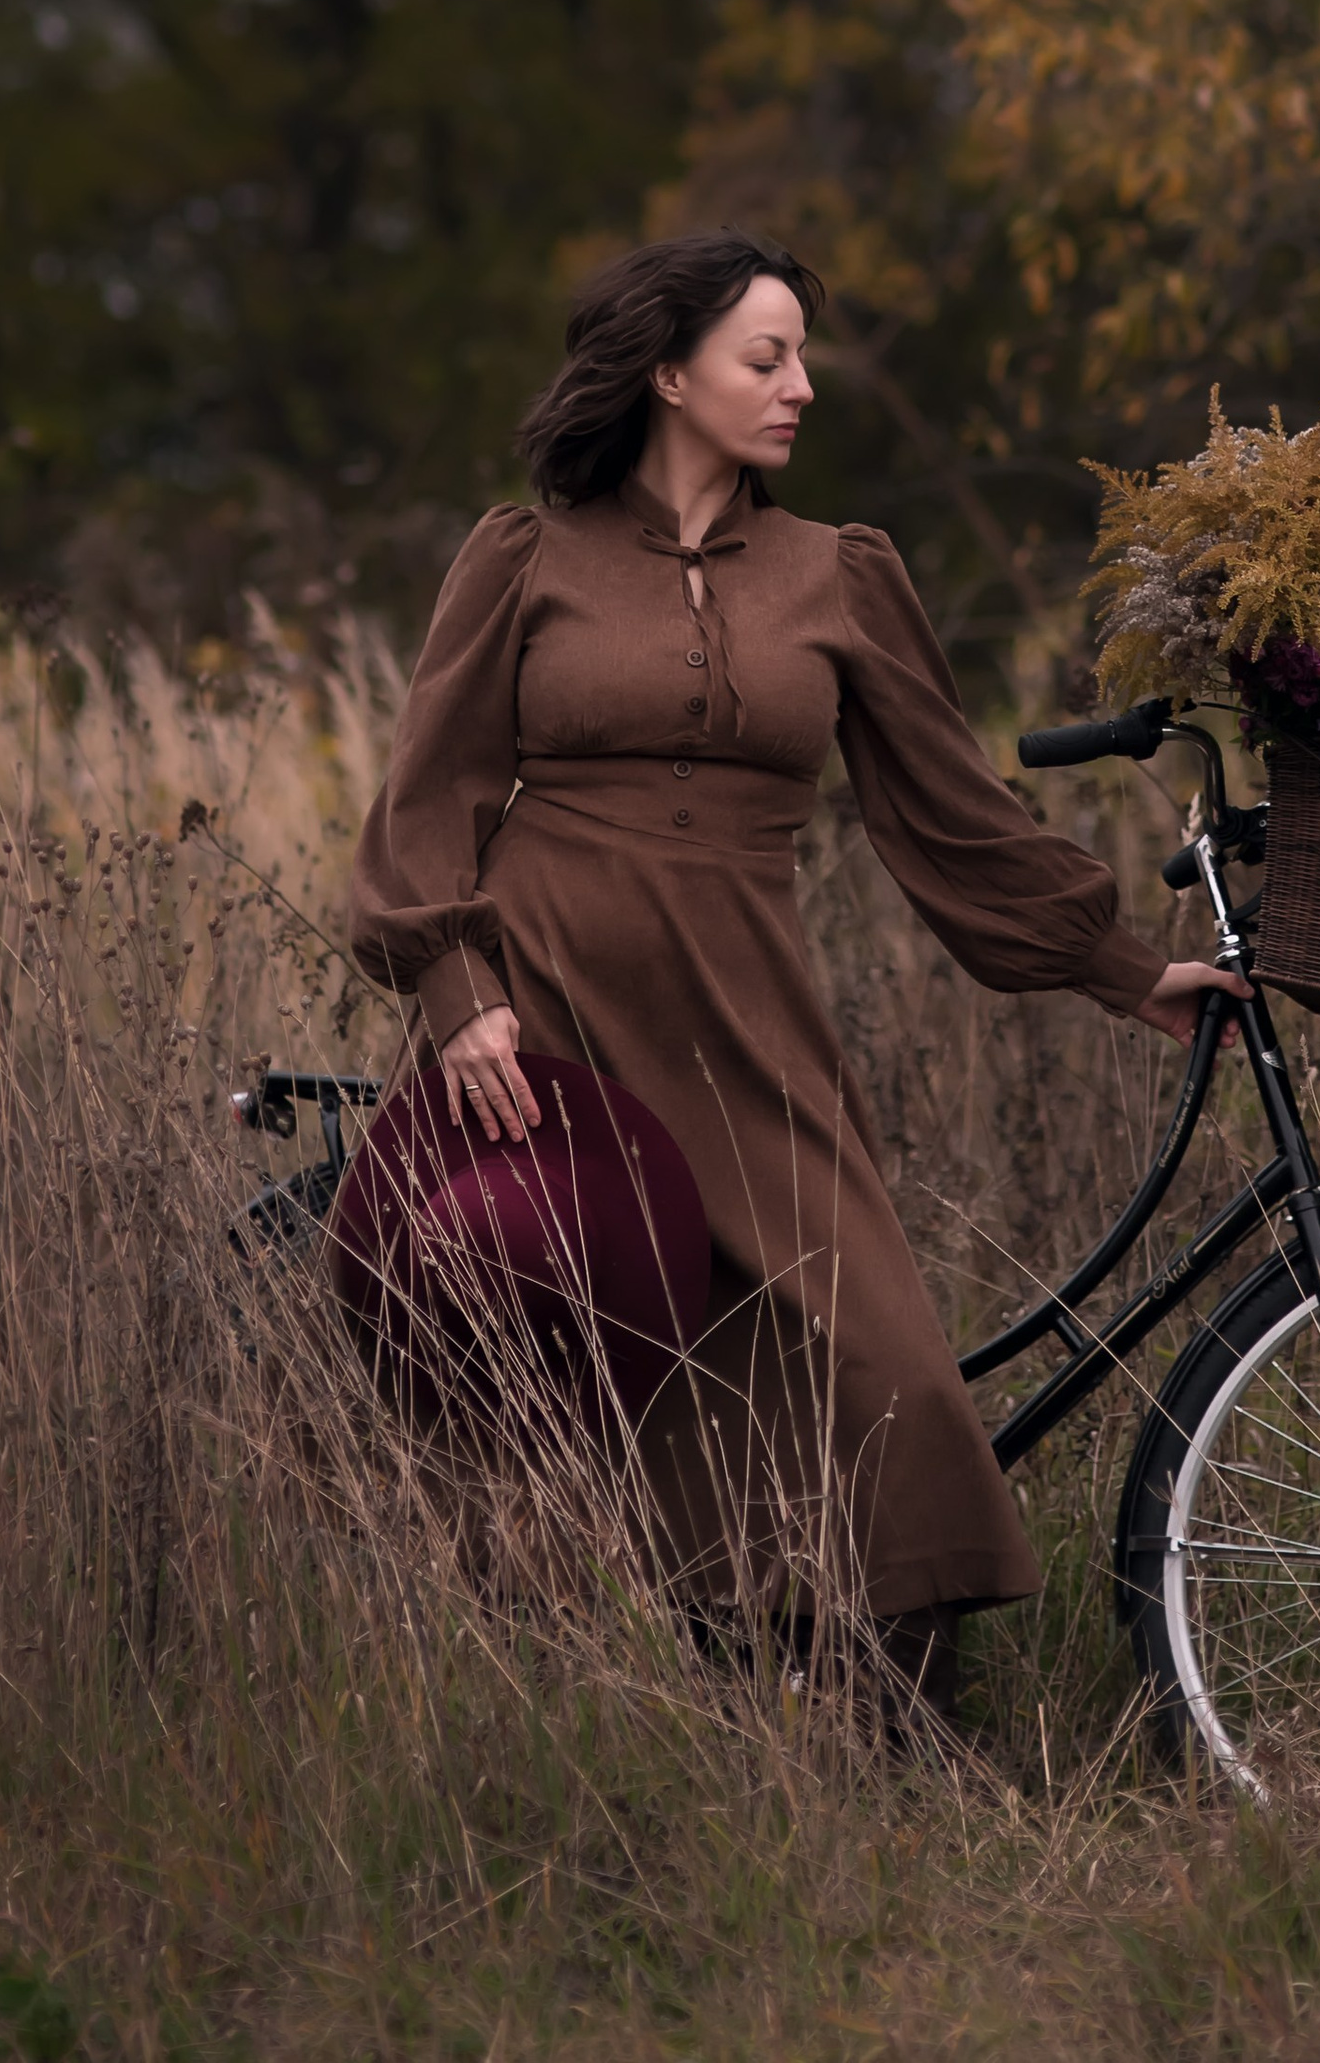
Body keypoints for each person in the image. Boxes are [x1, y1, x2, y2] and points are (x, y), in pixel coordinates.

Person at [345, 229, 1225, 1723]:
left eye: (801, 357)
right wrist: (457, 994)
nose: (802, 386)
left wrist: (1121, 967)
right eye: (770, 357)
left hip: (746, 1019)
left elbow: (947, 814)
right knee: (599, 1365)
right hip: (549, 1016)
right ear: (670, 373)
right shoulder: (524, 557)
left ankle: (898, 1724)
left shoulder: (837, 574)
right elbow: (429, 797)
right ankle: (642, 1708)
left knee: (886, 1369)